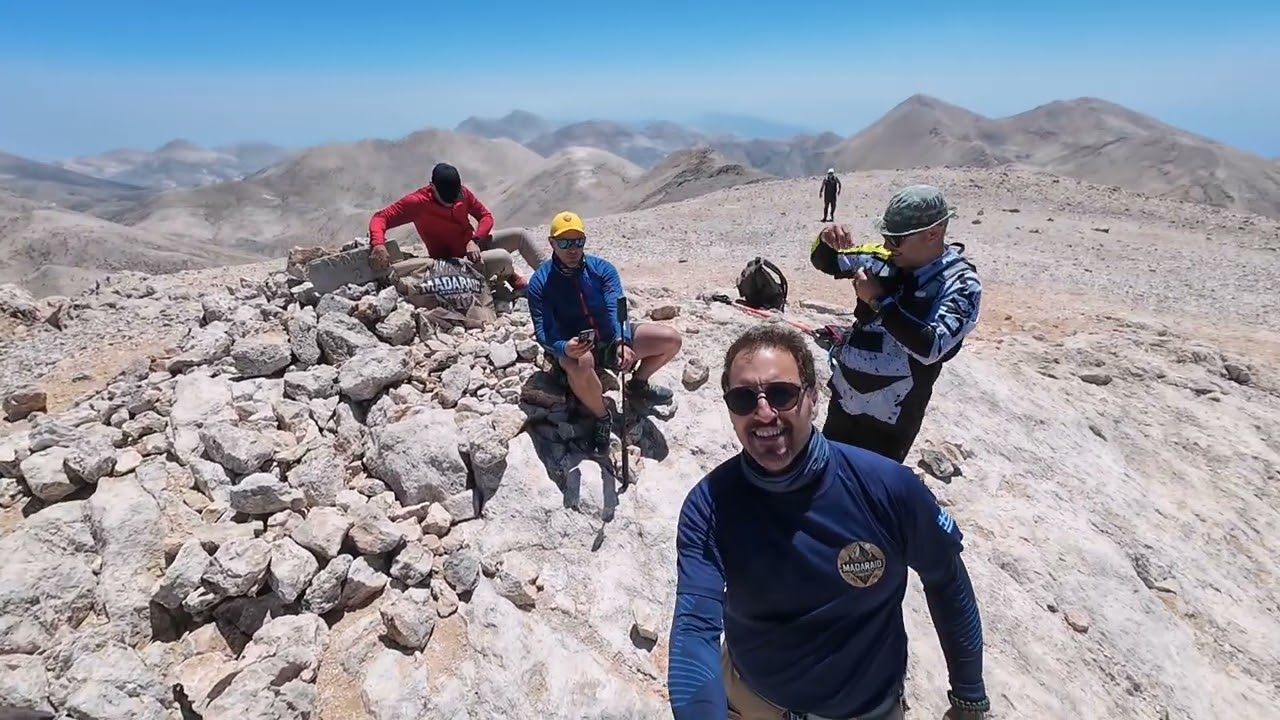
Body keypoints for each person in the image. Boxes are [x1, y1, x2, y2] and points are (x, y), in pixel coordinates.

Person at [667, 323, 990, 720]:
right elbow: (695, 628)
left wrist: (969, 697)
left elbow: (947, 579)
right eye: (744, 399)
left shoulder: (888, 489)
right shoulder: (710, 506)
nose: (764, 413)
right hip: (751, 704)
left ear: (813, 399)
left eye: (782, 394)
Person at [808, 184, 982, 463]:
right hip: (846, 399)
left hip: (892, 416)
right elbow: (827, 262)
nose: (888, 245)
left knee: (871, 491)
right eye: (886, 236)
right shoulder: (880, 257)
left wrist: (878, 301)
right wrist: (825, 239)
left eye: (897, 238)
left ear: (933, 234)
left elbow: (931, 346)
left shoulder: (960, 284)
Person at [525, 210, 683, 455]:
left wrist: (623, 340)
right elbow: (544, 331)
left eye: (578, 241)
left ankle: (638, 385)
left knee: (670, 340)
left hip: (610, 338)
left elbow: (616, 306)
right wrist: (565, 348)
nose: (572, 248)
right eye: (564, 242)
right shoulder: (540, 283)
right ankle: (602, 416)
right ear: (552, 243)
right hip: (572, 346)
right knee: (582, 360)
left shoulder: (602, 270)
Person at [366, 162, 546, 290]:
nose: (452, 203)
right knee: (503, 258)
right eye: (447, 201)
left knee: (520, 235)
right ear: (432, 187)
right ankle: (508, 274)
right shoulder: (417, 203)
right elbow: (380, 218)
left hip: (475, 247)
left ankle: (554, 277)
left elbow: (485, 216)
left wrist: (475, 240)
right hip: (453, 263)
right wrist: (378, 244)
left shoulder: (463, 193)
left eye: (456, 198)